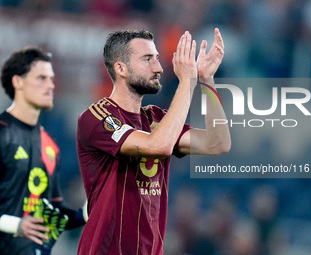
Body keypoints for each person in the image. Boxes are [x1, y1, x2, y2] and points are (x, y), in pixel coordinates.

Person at [76, 28, 231, 255]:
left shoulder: (157, 119)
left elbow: (218, 143)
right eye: (147, 59)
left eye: (157, 58)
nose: (158, 67)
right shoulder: (97, 117)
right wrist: (187, 81)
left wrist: (206, 79)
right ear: (121, 68)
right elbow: (157, 146)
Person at [0, 47, 88, 255]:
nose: (50, 85)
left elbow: (53, 206)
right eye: (41, 78)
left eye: (51, 78)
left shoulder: (52, 138)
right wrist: (16, 225)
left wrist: (84, 213)